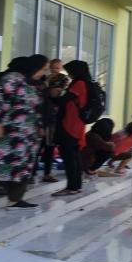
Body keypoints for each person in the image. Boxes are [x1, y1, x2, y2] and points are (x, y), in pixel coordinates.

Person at [0, 55, 48, 208]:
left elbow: (39, 108)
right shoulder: (12, 78)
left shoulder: (36, 85)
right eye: (43, 69)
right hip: (5, 131)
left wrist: (41, 126)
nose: (44, 72)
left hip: (26, 134)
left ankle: (15, 199)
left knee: (22, 166)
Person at [52, 60, 91, 197]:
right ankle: (76, 186)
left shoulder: (79, 84)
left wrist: (52, 95)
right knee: (74, 156)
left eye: (70, 71)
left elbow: (64, 100)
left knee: (70, 156)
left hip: (70, 125)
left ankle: (72, 187)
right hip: (76, 125)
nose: (69, 74)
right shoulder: (85, 82)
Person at [32, 58, 68, 183]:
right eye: (52, 67)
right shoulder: (43, 78)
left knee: (50, 145)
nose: (54, 70)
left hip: (53, 116)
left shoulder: (64, 79)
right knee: (37, 145)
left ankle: (47, 173)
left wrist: (50, 91)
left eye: (57, 68)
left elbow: (57, 93)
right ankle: (32, 172)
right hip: (41, 115)